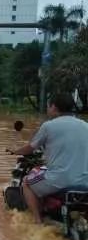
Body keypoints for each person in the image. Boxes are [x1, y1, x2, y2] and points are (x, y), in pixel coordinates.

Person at [8, 93, 88, 224]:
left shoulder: (49, 126)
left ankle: (38, 221)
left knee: (27, 182)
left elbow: (31, 147)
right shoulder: (85, 125)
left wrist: (15, 151)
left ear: (54, 107)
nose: (47, 109)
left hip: (60, 180)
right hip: (84, 181)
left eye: (48, 106)